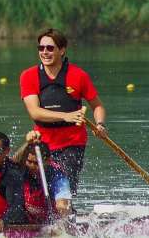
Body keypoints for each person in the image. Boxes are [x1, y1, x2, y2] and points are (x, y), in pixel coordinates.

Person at [19, 28, 107, 192]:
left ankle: (65, 206)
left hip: (72, 143)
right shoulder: (28, 76)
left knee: (64, 189)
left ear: (62, 50)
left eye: (50, 48)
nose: (45, 52)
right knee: (42, 190)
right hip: (42, 143)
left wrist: (100, 124)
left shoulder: (78, 75)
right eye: (41, 48)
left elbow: (98, 106)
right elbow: (35, 112)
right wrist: (66, 116)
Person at [0, 131, 72, 226]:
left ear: (48, 161)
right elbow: (13, 161)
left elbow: (63, 205)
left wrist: (60, 227)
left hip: (53, 221)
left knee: (61, 206)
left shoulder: (57, 175)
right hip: (27, 218)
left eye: (37, 163)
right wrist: (28, 143)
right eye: (29, 162)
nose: (32, 166)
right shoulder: (23, 168)